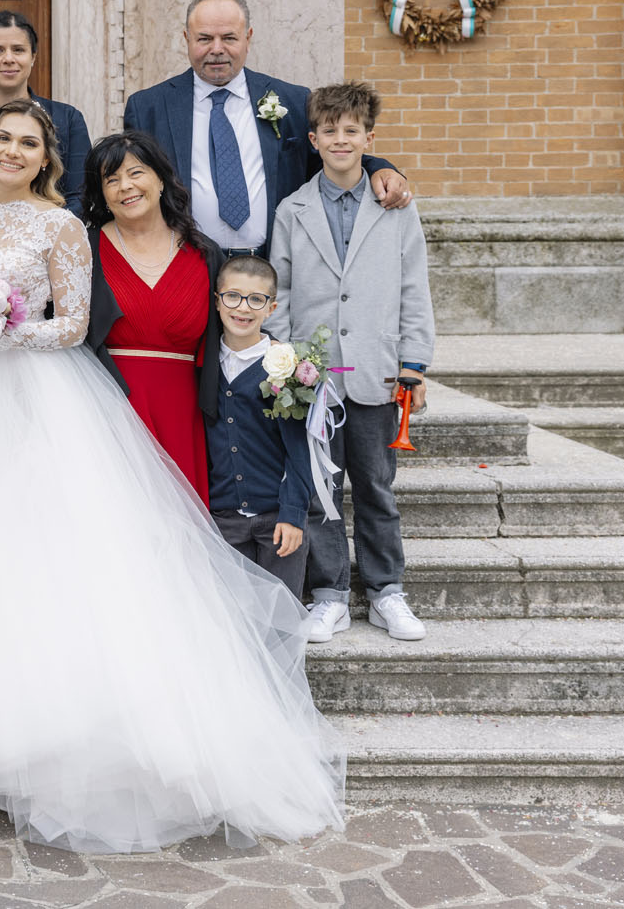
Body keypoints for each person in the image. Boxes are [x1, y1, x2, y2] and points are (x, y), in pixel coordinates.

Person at [0, 99, 345, 853]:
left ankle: (68, 719)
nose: (15, 150)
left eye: (30, 142)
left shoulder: (62, 227)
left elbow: (70, 322)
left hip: (31, 390)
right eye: (4, 138)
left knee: (62, 552)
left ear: (47, 156)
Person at [268, 82, 435, 645]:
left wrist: (413, 363)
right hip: (314, 377)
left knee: (375, 487)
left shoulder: (395, 208)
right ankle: (330, 594)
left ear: (370, 137)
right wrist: (285, 358)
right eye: (330, 131)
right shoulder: (292, 210)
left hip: (377, 371)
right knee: (320, 490)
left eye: (352, 131)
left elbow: (414, 287)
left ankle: (388, 592)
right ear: (313, 139)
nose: (342, 140)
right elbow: (281, 290)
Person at [123, 0, 409, 256]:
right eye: (205, 38)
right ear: (187, 39)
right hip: (187, 269)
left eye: (229, 38)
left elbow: (330, 153)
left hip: (274, 265)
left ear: (248, 37)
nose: (217, 49)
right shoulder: (149, 108)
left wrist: (380, 169)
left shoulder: (293, 101)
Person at [82, 130, 217, 505]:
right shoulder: (82, 249)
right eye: (111, 179)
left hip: (183, 415)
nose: (125, 186)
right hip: (107, 411)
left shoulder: (206, 256)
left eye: (136, 173)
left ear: (160, 178)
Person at [204, 255, 314, 601]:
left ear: (272, 308)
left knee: (281, 620)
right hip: (224, 518)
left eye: (257, 299)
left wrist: (294, 514)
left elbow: (300, 450)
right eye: (233, 296)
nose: (243, 308)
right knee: (232, 616)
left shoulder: (285, 367)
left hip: (277, 520)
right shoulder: (204, 361)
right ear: (217, 300)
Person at [0, 10, 90, 216]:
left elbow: (81, 195)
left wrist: (38, 232)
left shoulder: (68, 119)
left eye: (18, 50)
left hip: (48, 239)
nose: (8, 58)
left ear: (33, 57)